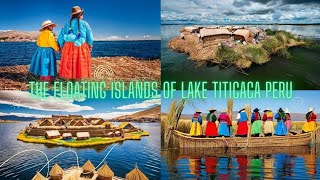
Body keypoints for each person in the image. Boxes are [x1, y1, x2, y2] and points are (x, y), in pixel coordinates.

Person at [58, 6, 94, 80]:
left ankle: (69, 80)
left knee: (69, 63)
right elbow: (90, 36)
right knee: (80, 64)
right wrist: (90, 44)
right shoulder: (85, 23)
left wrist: (61, 45)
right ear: (80, 14)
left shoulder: (67, 24)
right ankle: (78, 81)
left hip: (68, 47)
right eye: (82, 14)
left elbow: (61, 36)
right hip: (80, 46)